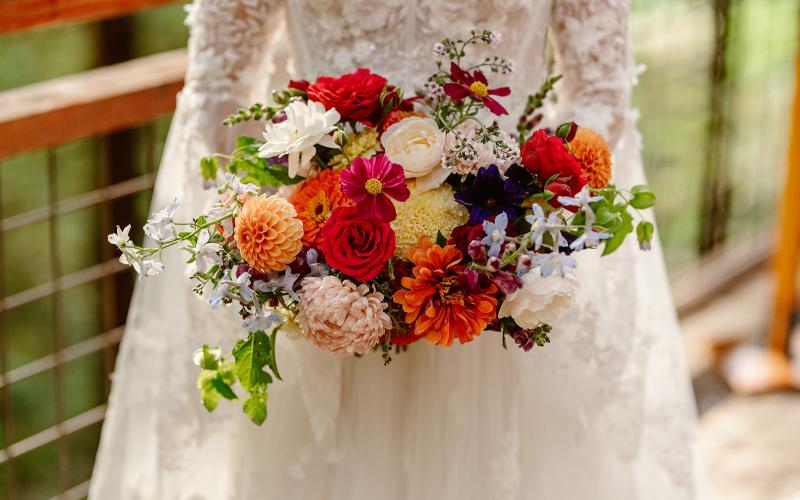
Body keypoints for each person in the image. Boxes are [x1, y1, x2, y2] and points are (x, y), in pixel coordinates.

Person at [91, 1, 711, 498]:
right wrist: (302, 235)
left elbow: (600, 93)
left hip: (501, 279)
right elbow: (219, 93)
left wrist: (515, 229)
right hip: (321, 283)